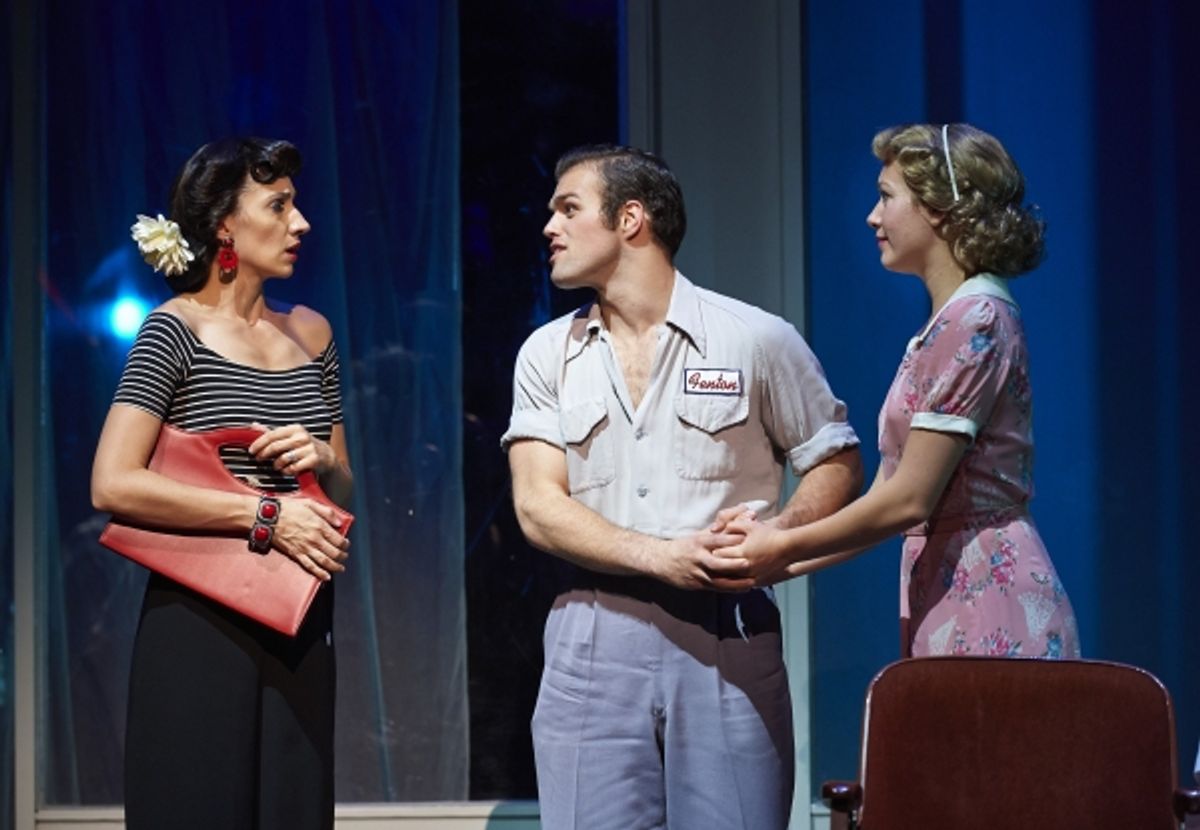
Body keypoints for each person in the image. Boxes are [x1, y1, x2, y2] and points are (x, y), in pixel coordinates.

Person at [502, 144, 862, 829]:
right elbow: (537, 506)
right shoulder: (547, 354)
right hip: (593, 636)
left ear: (631, 219)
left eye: (568, 209)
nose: (549, 226)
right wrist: (660, 555)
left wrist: (776, 534)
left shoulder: (756, 338)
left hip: (726, 633)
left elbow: (837, 463)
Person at [714, 123, 1080, 660]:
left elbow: (909, 499)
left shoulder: (976, 317)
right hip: (951, 588)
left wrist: (782, 544)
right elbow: (889, 499)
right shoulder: (949, 321)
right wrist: (770, 560)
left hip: (990, 600)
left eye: (887, 197)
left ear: (938, 208)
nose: (873, 216)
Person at [91, 137, 353, 830]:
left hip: (299, 614)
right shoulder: (173, 330)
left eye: (296, 205)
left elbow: (346, 491)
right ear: (224, 227)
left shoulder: (312, 334)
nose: (300, 224)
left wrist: (322, 463)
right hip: (201, 619)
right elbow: (113, 483)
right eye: (279, 205)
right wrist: (264, 515)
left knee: (292, 809)